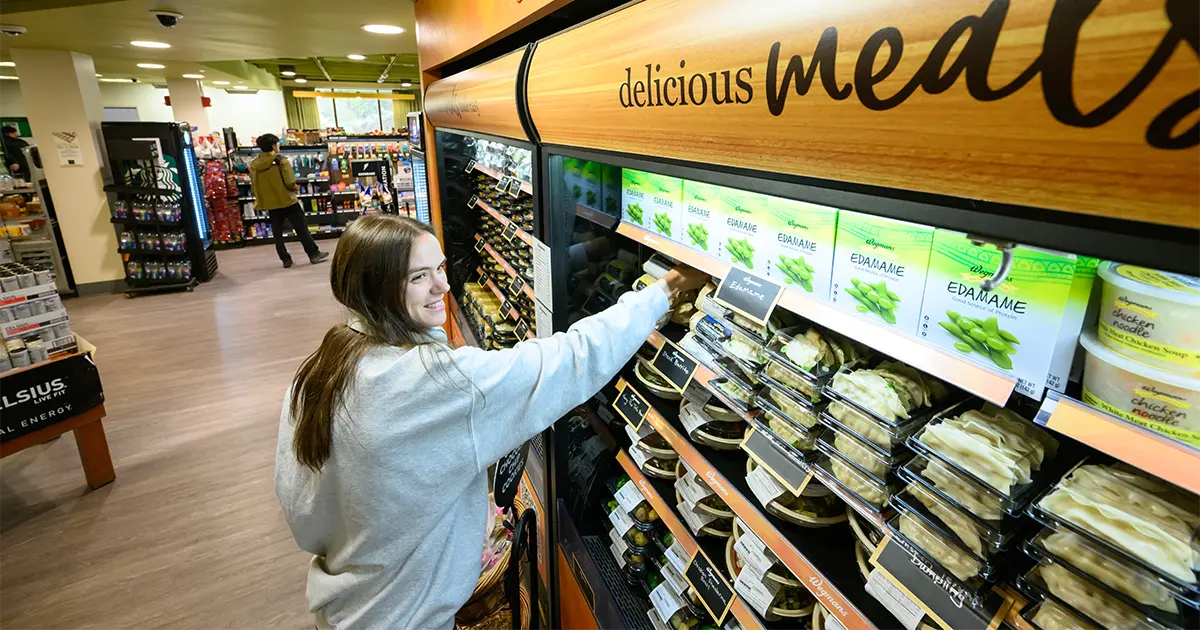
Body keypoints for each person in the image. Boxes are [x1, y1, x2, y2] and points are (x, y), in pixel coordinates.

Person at [274, 215, 707, 629]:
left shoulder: (321, 367)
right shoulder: (431, 382)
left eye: (440, 267)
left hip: (346, 605)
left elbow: (302, 509)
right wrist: (664, 289)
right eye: (418, 276)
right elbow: (569, 361)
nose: (443, 285)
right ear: (374, 288)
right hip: (407, 614)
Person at [249, 133, 329, 268]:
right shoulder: (281, 161)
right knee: (301, 229)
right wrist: (294, 188)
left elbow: (254, 184)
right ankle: (313, 254)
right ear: (274, 146)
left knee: (277, 233)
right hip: (287, 201)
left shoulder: (255, 164)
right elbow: (290, 181)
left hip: (271, 204)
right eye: (277, 144)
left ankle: (285, 259)